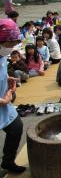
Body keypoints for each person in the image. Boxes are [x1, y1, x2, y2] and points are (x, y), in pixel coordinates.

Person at [0, 18, 26, 173]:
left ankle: (7, 162)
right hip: (2, 100)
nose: (11, 48)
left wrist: (6, 79)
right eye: (9, 44)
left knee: (16, 128)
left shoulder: (2, 55)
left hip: (4, 101)